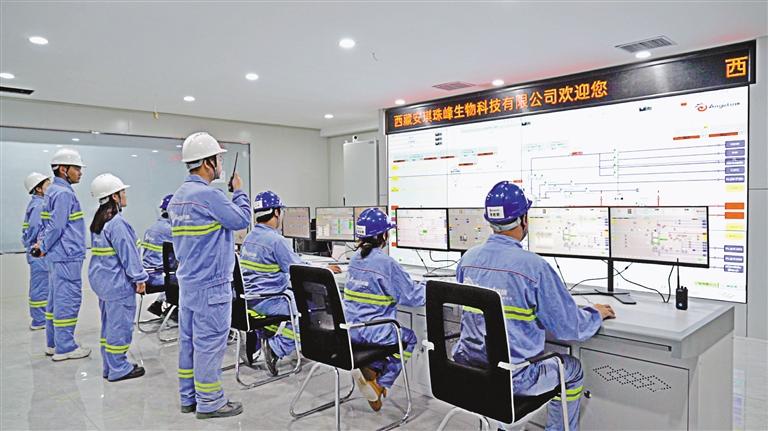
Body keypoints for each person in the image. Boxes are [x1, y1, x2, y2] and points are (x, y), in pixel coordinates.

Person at [451, 181, 616, 431]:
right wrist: (595, 313)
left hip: (469, 371)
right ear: (524, 219)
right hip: (514, 380)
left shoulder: (468, 259)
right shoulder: (533, 267)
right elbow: (569, 328)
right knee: (572, 368)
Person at [169, 132, 250, 419]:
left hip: (189, 283)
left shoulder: (178, 198)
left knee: (189, 342)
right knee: (210, 344)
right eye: (218, 159)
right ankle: (210, 401)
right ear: (207, 163)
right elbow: (241, 220)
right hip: (212, 285)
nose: (220, 165)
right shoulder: (209, 196)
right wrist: (239, 191)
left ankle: (189, 397)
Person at [239, 191, 340, 375]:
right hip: (269, 300)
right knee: (309, 310)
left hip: (250, 299)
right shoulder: (276, 240)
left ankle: (262, 336)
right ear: (276, 212)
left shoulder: (249, 237)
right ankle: (275, 348)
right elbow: (298, 270)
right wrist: (325, 269)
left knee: (293, 296)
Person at [344, 207, 425, 412]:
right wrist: (429, 287)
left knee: (388, 337)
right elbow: (413, 297)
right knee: (408, 339)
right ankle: (382, 383)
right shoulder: (386, 263)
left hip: (351, 330)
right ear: (384, 235)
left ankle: (372, 371)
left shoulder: (354, 259)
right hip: (375, 332)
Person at [88, 173, 148, 381]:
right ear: (114, 196)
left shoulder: (99, 222)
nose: (125, 195)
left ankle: (109, 365)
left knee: (109, 325)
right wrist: (139, 279)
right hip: (117, 284)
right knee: (120, 327)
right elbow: (129, 255)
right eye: (122, 192)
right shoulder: (118, 224)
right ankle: (118, 368)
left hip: (103, 282)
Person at [33, 148, 91, 361]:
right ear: (64, 169)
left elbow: (47, 225)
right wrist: (43, 247)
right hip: (67, 255)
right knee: (68, 300)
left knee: (56, 300)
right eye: (77, 168)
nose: (80, 173)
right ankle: (65, 347)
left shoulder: (52, 191)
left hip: (58, 255)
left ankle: (53, 343)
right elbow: (57, 226)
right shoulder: (64, 194)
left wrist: (43, 246)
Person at [22, 172, 51, 330]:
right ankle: (39, 320)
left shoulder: (37, 204)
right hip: (38, 252)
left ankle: (41, 317)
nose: (51, 186)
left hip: (38, 252)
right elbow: (34, 229)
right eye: (48, 184)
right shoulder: (40, 206)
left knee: (42, 285)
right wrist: (37, 245)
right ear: (39, 189)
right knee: (40, 286)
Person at [139, 194, 176, 319]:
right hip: (157, 276)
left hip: (146, 274)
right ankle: (176, 310)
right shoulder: (170, 230)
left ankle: (159, 303)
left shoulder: (152, 228)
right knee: (188, 278)